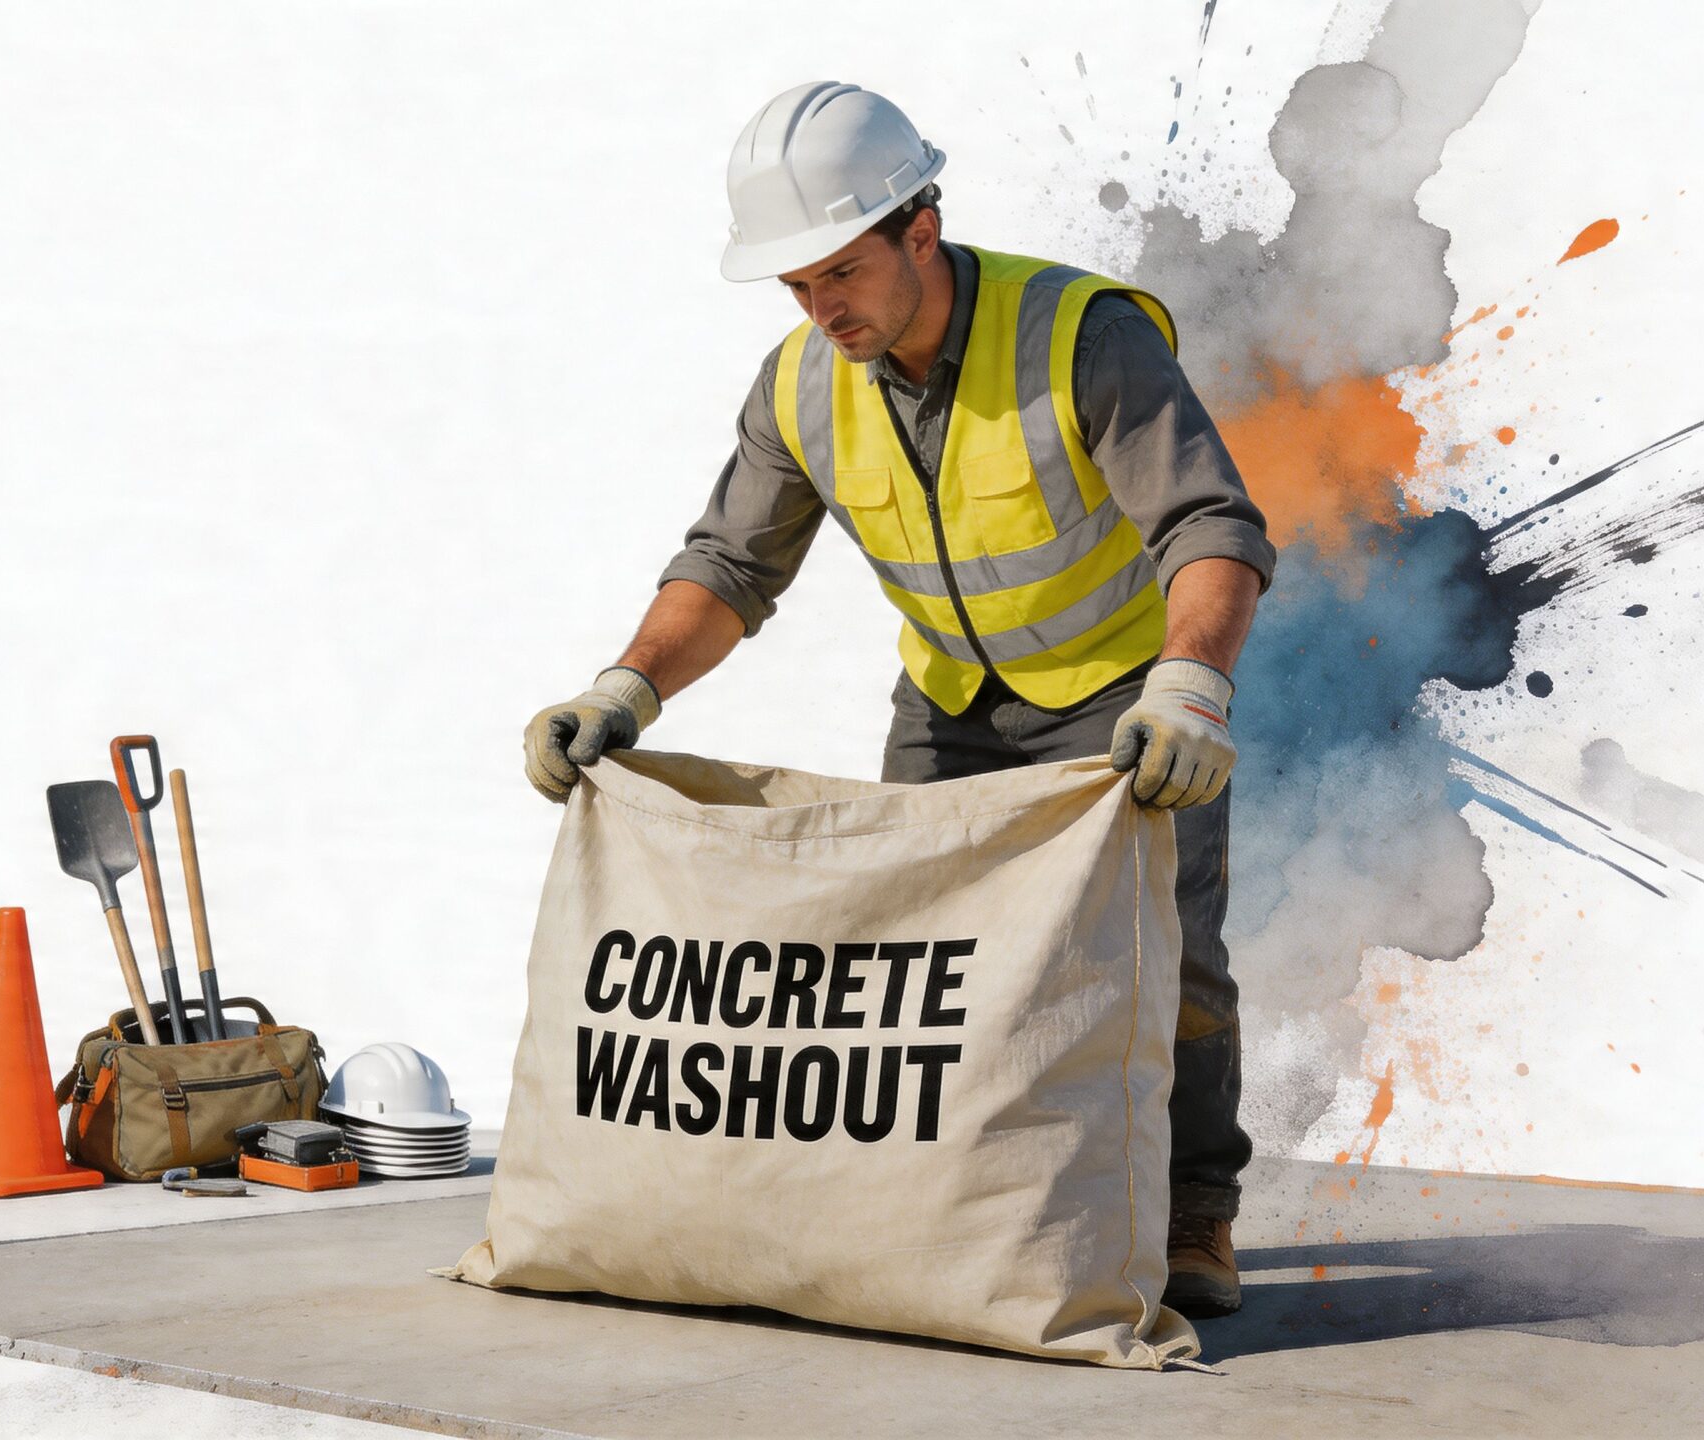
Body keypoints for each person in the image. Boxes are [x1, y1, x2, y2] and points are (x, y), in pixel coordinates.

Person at [519, 81, 1275, 1318]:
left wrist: (1191, 689)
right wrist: (624, 691)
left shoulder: (1079, 336)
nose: (821, 309)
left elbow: (1210, 526)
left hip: (1124, 695)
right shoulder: (802, 384)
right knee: (920, 974)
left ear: (919, 227)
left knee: (1166, 967)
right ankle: (951, 1219)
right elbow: (729, 564)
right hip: (949, 702)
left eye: (839, 272)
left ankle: (1196, 1209)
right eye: (796, 286)